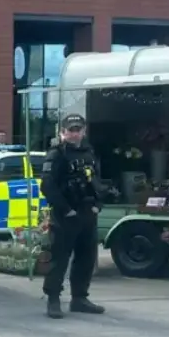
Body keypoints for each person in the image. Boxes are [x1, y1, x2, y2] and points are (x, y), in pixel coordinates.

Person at [40, 114, 106, 319]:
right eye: (71, 130)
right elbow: (47, 185)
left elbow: (97, 180)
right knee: (59, 259)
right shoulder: (56, 154)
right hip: (65, 214)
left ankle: (79, 298)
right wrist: (66, 209)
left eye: (78, 129)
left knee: (86, 258)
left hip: (87, 212)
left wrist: (98, 205)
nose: (75, 133)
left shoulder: (89, 152)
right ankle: (53, 299)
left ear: (84, 131)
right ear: (62, 132)